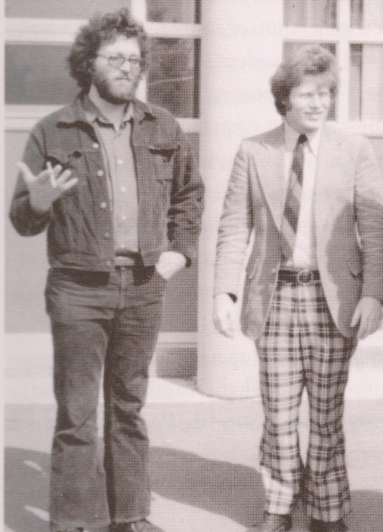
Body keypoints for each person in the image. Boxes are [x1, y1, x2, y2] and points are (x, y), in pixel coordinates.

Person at [9, 9, 204, 532]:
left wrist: (180, 252)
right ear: (88, 63)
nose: (126, 67)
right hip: (77, 287)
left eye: (134, 59)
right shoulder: (53, 130)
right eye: (115, 57)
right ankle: (74, 520)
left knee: (128, 406)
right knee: (77, 412)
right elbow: (22, 219)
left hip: (143, 285)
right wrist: (39, 202)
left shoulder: (163, 126)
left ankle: (130, 516)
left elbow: (190, 194)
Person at [213, 45, 383, 532]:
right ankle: (278, 502)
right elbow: (234, 226)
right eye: (307, 94)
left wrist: (373, 294)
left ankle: (327, 510)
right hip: (274, 298)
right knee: (278, 413)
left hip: (333, 301)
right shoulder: (254, 150)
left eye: (325, 93)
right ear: (284, 98)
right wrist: (224, 291)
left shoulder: (354, 149)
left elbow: (376, 229)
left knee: (327, 414)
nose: (317, 103)